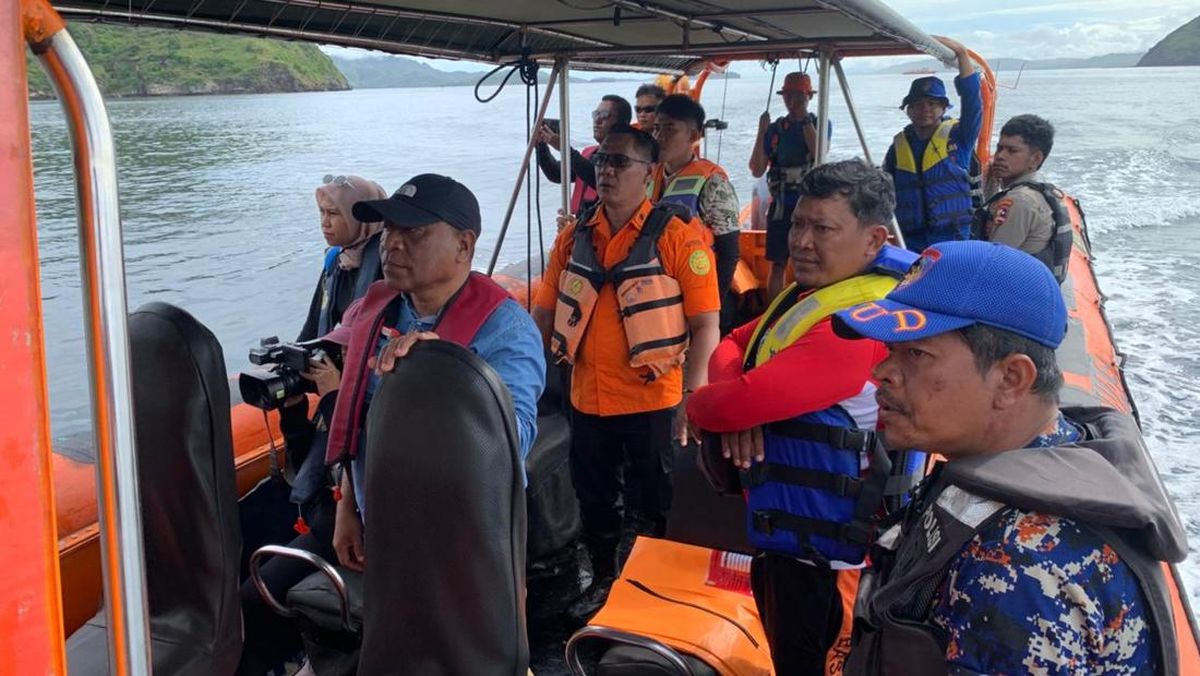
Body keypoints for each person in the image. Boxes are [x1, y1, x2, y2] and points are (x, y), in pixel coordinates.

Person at [833, 241, 1187, 675]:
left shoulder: (1020, 565)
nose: (882, 373)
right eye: (891, 351)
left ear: (1011, 379)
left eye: (916, 354)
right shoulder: (1047, 453)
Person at [687, 160, 918, 675]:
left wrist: (723, 404)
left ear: (874, 240)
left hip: (831, 563)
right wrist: (743, 404)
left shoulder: (856, 328)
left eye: (823, 228)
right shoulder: (812, 296)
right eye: (797, 224)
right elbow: (732, 343)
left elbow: (709, 405)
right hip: (792, 543)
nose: (802, 242)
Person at [531, 125, 721, 615]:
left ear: (650, 172)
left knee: (651, 501)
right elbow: (544, 313)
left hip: (652, 398)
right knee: (594, 498)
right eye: (602, 161)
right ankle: (603, 578)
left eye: (619, 162)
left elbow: (706, 326)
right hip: (586, 397)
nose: (606, 171)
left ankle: (646, 590)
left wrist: (693, 398)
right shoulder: (573, 238)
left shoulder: (679, 238)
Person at [326, 173, 546, 571]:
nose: (392, 243)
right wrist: (347, 508)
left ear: (464, 245)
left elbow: (514, 441)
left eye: (413, 232)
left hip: (463, 535)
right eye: (389, 229)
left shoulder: (507, 331)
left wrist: (448, 374)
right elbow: (363, 417)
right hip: (381, 519)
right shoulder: (378, 314)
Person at [234, 315, 355, 676]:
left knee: (251, 602)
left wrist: (334, 398)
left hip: (343, 532)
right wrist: (295, 413)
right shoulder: (336, 407)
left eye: (339, 356)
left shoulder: (365, 405)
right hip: (318, 518)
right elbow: (309, 471)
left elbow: (351, 466)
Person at [647, 94, 740, 329]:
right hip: (657, 294)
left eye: (669, 129)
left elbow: (729, 253)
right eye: (656, 128)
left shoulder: (713, 184)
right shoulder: (647, 176)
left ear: (694, 136)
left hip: (700, 293)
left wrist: (711, 310)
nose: (659, 137)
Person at [883, 36, 983, 252]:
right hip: (910, 239)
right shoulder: (898, 147)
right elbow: (883, 188)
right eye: (917, 104)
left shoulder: (960, 137)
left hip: (953, 237)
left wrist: (961, 53)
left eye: (932, 103)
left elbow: (973, 101)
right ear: (908, 110)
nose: (925, 109)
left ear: (944, 108)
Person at [749, 72, 828, 299]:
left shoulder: (819, 125)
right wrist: (762, 131)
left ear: (809, 97)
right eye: (788, 95)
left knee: (815, 260)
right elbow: (757, 169)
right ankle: (773, 313)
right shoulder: (775, 130)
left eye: (798, 96)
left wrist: (804, 119)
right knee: (778, 263)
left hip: (810, 205)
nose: (792, 100)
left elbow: (819, 155)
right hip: (781, 206)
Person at [978, 114, 1072, 282]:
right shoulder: (1042, 193)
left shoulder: (1020, 201)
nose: (1000, 156)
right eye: (999, 148)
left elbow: (993, 263)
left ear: (1035, 159)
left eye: (1012, 151)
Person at [298, 174, 388, 341]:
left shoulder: (390, 262)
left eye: (333, 213)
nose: (325, 222)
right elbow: (312, 326)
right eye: (322, 212)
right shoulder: (336, 259)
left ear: (360, 216)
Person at [534, 94, 632, 217]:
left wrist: (564, 149)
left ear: (621, 125)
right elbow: (555, 173)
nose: (597, 120)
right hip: (584, 225)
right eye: (596, 114)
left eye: (604, 115)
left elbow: (596, 176)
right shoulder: (591, 154)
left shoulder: (627, 158)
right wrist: (541, 145)